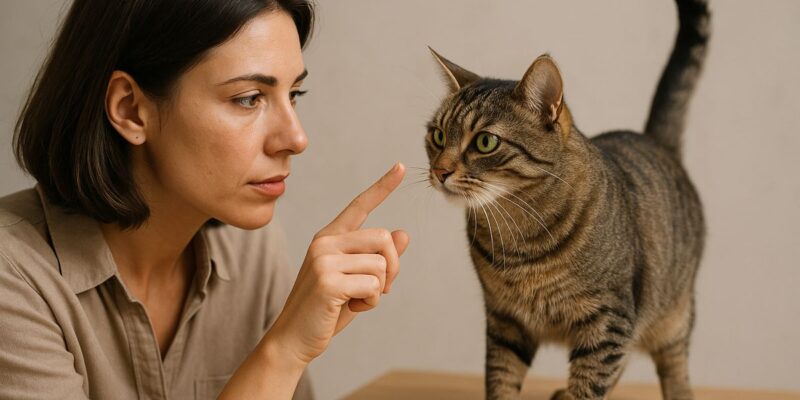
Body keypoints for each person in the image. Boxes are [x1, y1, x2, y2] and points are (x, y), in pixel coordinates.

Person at [0, 1, 410, 399]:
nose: (297, 138)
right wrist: (283, 352)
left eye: (295, 94)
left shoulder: (252, 251)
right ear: (130, 109)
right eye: (248, 98)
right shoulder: (13, 277)